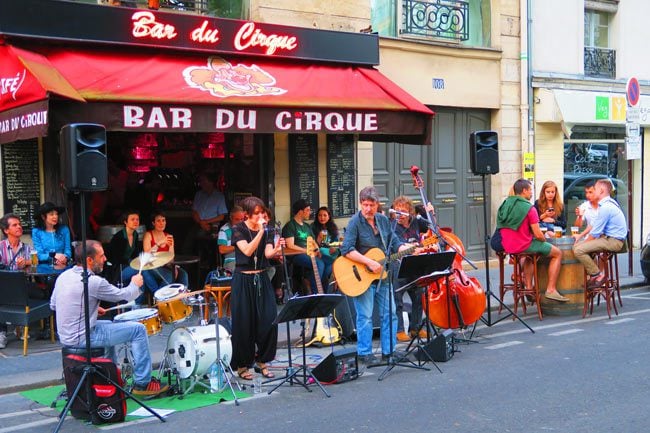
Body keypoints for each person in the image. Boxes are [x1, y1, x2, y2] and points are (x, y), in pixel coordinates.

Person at [50, 240, 168, 396]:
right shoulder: (94, 282)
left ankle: (111, 378)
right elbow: (123, 296)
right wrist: (135, 284)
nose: (105, 259)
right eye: (102, 256)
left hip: (67, 334)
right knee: (138, 330)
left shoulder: (64, 276)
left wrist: (88, 307)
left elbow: (54, 305)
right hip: (82, 337)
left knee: (111, 323)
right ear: (89, 260)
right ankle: (142, 384)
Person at [340, 187, 418, 366]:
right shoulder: (355, 222)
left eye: (371, 205)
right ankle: (364, 353)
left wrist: (405, 249)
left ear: (377, 205)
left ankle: (388, 351)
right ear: (361, 204)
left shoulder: (383, 221)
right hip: (362, 275)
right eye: (365, 205)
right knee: (365, 316)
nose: (368, 209)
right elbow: (346, 249)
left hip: (383, 275)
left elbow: (394, 242)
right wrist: (368, 262)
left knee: (390, 313)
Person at [230, 196, 283, 380]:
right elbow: (247, 251)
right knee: (244, 324)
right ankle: (243, 366)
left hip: (261, 277)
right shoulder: (237, 230)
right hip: (243, 280)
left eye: (262, 212)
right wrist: (260, 232)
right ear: (247, 215)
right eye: (257, 213)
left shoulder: (267, 230)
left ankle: (263, 361)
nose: (261, 216)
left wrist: (276, 249)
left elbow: (267, 253)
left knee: (269, 319)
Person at [496, 179, 568, 302]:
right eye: (530, 190)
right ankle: (551, 290)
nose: (531, 193)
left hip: (506, 245)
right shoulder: (529, 208)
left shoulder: (505, 203)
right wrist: (544, 239)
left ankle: (529, 287)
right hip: (523, 245)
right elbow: (538, 234)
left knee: (530, 257)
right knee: (557, 253)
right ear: (524, 191)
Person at [573, 179, 627, 289]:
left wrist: (581, 246)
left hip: (613, 241)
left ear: (601, 190)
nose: (592, 192)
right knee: (581, 248)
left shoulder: (605, 207)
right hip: (611, 239)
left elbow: (594, 233)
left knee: (578, 249)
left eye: (595, 189)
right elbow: (594, 228)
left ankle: (597, 275)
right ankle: (593, 277)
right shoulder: (609, 203)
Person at [391, 196, 431, 342]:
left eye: (402, 211)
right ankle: (400, 330)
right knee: (398, 299)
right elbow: (396, 246)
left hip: (415, 264)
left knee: (418, 296)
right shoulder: (393, 226)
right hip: (398, 265)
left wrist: (430, 214)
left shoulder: (416, 222)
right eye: (396, 211)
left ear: (410, 212)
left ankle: (416, 328)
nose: (399, 214)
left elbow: (431, 228)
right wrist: (413, 249)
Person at [0, 213, 43, 348]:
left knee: (43, 295)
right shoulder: (0, 247)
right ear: (6, 230)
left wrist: (28, 263)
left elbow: (36, 265)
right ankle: (2, 333)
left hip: (23, 285)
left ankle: (22, 325)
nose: (19, 227)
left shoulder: (27, 248)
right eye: (15, 225)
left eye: (19, 224)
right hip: (5, 287)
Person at [283, 199, 332, 294]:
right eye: (308, 210)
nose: (310, 212)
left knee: (328, 262)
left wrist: (317, 250)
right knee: (319, 264)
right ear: (301, 211)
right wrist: (305, 250)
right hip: (297, 255)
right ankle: (316, 293)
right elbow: (290, 245)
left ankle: (318, 287)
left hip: (310, 253)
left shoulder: (307, 226)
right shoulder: (290, 225)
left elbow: (313, 241)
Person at [106, 211, 157, 303]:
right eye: (132, 219)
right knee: (141, 269)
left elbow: (136, 254)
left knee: (141, 273)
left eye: (137, 219)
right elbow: (116, 259)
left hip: (130, 267)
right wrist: (133, 262)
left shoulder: (135, 235)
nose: (136, 222)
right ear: (125, 222)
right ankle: (157, 293)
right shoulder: (119, 237)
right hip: (118, 271)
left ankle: (138, 305)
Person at [187, 172, 228, 267]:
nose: (201, 183)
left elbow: (221, 216)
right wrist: (201, 222)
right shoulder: (199, 194)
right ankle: (191, 265)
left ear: (210, 182)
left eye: (203, 181)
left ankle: (206, 260)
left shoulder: (219, 196)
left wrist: (206, 222)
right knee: (188, 243)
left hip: (212, 225)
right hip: (198, 224)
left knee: (202, 238)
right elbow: (194, 212)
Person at [142, 210, 189, 289]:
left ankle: (183, 297)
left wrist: (173, 267)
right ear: (153, 223)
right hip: (152, 266)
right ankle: (161, 299)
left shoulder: (169, 236)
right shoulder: (148, 235)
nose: (161, 223)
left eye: (163, 220)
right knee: (169, 277)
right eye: (158, 221)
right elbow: (147, 254)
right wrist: (159, 243)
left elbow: (171, 256)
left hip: (165, 266)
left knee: (183, 274)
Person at [217, 206, 246, 273]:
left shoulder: (246, 228)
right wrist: (238, 247)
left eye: (242, 219)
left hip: (247, 260)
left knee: (270, 270)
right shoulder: (224, 230)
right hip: (232, 261)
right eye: (237, 219)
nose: (240, 222)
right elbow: (222, 249)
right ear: (231, 218)